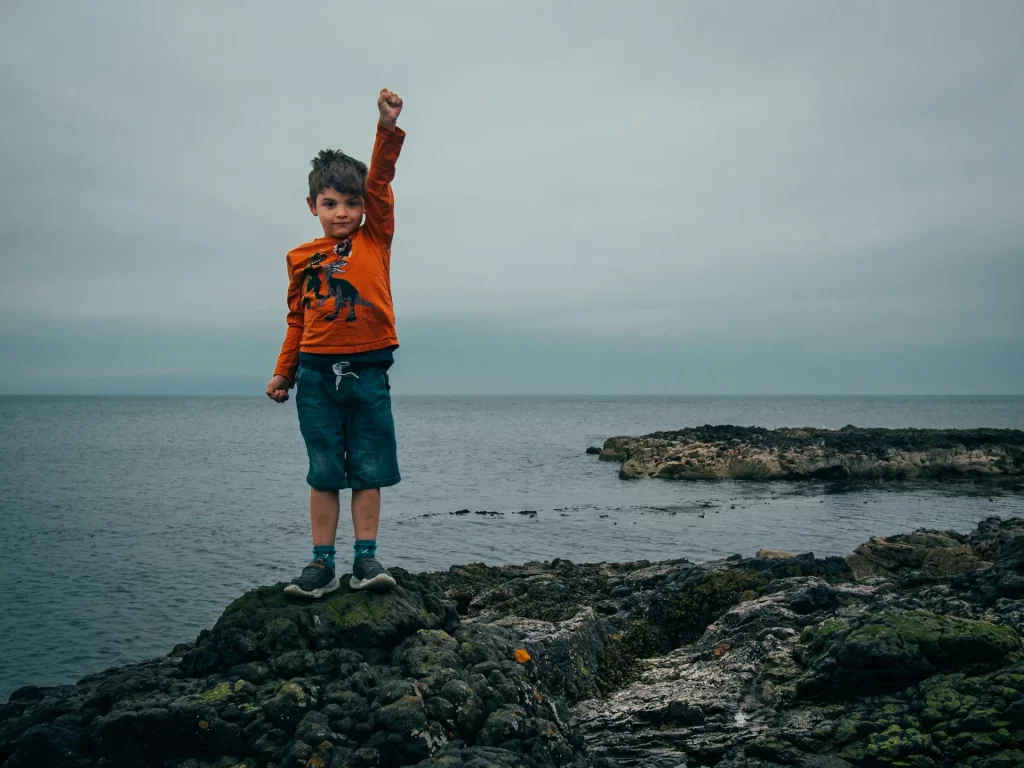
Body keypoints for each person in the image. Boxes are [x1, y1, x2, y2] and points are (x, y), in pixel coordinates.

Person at [265, 88, 405, 599]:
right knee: (324, 471)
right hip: (316, 375)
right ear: (312, 206)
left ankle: (365, 561)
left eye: (351, 202)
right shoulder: (300, 257)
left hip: (368, 371)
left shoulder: (375, 239)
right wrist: (284, 371)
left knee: (368, 467)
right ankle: (321, 565)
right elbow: (295, 318)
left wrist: (386, 128)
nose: (342, 212)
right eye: (330, 203)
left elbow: (381, 179)